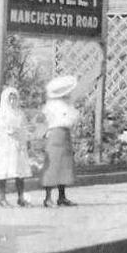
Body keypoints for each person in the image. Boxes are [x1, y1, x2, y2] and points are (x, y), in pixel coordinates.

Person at [0, 86, 33, 207]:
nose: (12, 102)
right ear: (6, 100)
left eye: (14, 99)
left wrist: (23, 139)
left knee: (19, 172)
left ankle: (21, 198)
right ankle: (2, 197)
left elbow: (24, 129)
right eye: (10, 99)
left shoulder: (19, 113)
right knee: (4, 171)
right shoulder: (1, 113)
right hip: (5, 145)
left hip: (16, 145)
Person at [41, 74, 79, 207]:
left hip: (64, 134)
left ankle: (62, 197)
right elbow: (68, 119)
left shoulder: (64, 105)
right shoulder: (54, 105)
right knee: (53, 166)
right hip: (56, 134)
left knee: (64, 166)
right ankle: (47, 198)